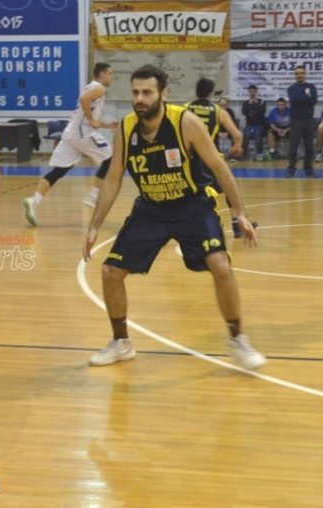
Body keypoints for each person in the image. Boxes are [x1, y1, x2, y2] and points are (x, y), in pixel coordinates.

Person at [82, 64, 266, 371]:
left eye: (147, 92)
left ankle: (238, 340)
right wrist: (94, 226)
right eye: (136, 92)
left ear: (163, 94)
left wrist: (240, 213)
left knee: (220, 265)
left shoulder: (185, 122)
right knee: (110, 272)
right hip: (150, 210)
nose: (139, 98)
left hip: (192, 206)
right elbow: (113, 179)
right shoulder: (126, 128)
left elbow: (220, 167)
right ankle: (121, 343)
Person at [22, 63, 118, 226]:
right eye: (110, 73)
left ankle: (34, 201)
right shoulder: (100, 88)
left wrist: (107, 125)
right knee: (110, 158)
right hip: (82, 134)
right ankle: (93, 196)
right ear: (102, 74)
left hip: (71, 134)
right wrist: (92, 120)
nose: (112, 77)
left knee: (59, 171)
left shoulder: (92, 88)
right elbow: (84, 101)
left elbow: (89, 116)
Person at [185, 77, 257, 239]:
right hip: (211, 159)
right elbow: (238, 135)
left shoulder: (185, 108)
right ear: (211, 93)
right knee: (229, 189)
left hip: (189, 159)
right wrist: (236, 148)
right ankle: (237, 224)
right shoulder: (218, 111)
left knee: (190, 193)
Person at [287, 65, 318, 177]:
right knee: (293, 148)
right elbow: (294, 100)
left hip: (309, 121)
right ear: (295, 75)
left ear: (305, 74)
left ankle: (308, 170)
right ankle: (291, 170)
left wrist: (304, 97)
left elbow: (313, 101)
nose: (299, 75)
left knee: (309, 148)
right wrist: (306, 95)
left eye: (301, 73)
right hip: (296, 122)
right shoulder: (291, 88)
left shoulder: (311, 87)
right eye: (297, 73)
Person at [241, 84, 267, 161]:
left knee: (258, 134)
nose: (252, 93)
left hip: (259, 124)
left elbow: (262, 113)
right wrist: (249, 104)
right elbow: (244, 112)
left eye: (253, 91)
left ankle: (259, 153)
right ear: (249, 92)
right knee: (246, 134)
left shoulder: (262, 102)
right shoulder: (246, 102)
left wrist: (256, 104)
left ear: (256, 92)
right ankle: (244, 153)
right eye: (250, 92)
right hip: (249, 124)